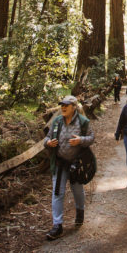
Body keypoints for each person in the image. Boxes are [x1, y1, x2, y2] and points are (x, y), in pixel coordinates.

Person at [44, 95, 95, 240]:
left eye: (66, 105)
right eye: (62, 105)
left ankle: (80, 212)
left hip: (76, 164)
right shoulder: (57, 121)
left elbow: (91, 138)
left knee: (77, 191)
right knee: (57, 193)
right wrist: (48, 143)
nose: (63, 107)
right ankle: (57, 225)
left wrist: (81, 140)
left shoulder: (83, 122)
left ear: (74, 107)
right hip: (60, 163)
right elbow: (46, 138)